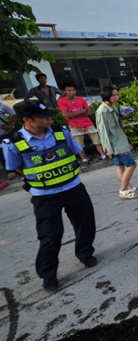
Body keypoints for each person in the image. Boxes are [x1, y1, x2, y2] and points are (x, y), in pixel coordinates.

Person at [2, 100, 98, 292]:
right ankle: (48, 274)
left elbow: (75, 151)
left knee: (85, 223)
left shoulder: (60, 132)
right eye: (43, 117)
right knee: (50, 235)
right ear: (27, 120)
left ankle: (85, 253)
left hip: (73, 187)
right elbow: (16, 167)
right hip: (45, 195)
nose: (49, 119)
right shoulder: (14, 143)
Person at [96, 86, 138, 199]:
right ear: (107, 96)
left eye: (117, 94)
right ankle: (123, 190)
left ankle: (129, 187)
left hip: (120, 142)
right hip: (115, 145)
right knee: (132, 164)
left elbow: (118, 127)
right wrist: (108, 149)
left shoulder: (113, 108)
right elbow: (103, 132)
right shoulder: (102, 112)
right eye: (114, 95)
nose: (117, 97)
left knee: (120, 166)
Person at [57, 82, 107, 162]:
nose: (72, 92)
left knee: (97, 140)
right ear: (64, 91)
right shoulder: (61, 101)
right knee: (79, 143)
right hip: (74, 125)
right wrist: (81, 111)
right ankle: (84, 159)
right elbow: (66, 114)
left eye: (73, 90)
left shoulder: (81, 99)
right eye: (69, 90)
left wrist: (73, 114)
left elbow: (89, 112)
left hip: (87, 122)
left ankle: (103, 155)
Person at [0, 102, 18, 188]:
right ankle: (9, 171)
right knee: (0, 154)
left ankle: (15, 169)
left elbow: (14, 114)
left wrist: (10, 125)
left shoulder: (1, 106)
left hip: (4, 134)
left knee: (8, 152)